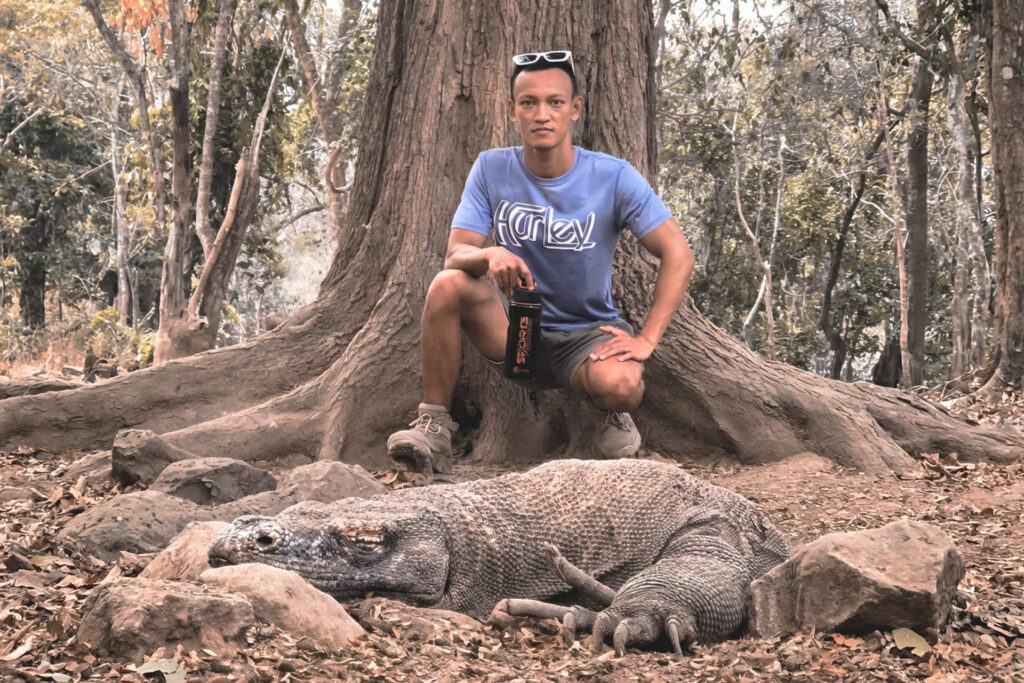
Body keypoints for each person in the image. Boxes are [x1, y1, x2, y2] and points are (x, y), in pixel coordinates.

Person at [387, 50, 694, 472]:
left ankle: (604, 410)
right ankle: (434, 428)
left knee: (622, 384)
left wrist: (647, 341)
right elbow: (455, 255)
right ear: (512, 109)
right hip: (516, 332)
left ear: (575, 110)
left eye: (555, 102)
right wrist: (490, 252)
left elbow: (678, 253)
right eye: (528, 102)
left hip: (586, 338)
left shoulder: (613, 176)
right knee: (447, 284)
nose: (542, 114)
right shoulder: (491, 168)